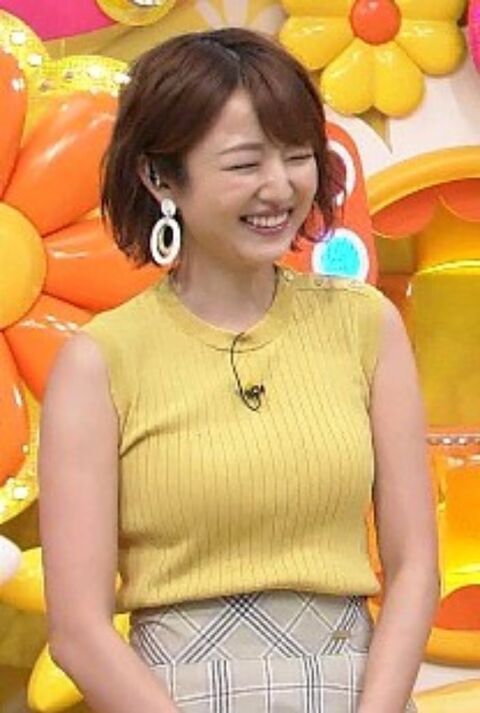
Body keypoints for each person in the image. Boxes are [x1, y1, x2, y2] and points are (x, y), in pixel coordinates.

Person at [38, 28, 439, 713]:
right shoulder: (100, 361)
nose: (279, 187)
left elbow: (415, 570)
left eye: (298, 155)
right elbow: (78, 631)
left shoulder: (366, 324)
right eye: (245, 163)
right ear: (160, 176)